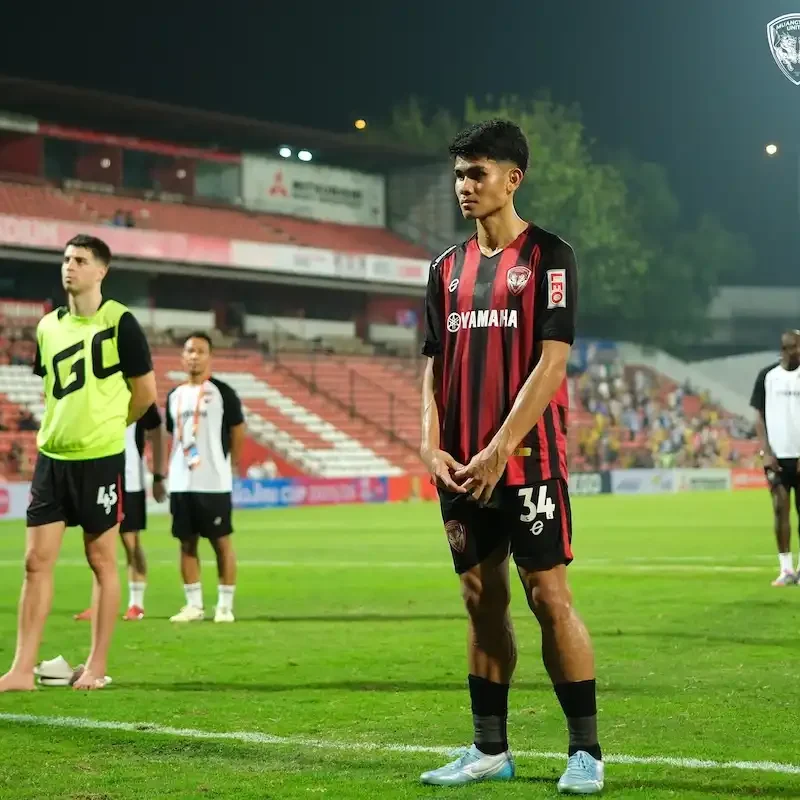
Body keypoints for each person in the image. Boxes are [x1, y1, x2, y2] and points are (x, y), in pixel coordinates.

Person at [418, 120, 603, 794]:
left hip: (528, 463)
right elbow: (433, 365)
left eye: (478, 173)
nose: (464, 186)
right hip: (463, 465)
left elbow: (553, 363)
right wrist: (429, 440)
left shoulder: (550, 256)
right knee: (479, 599)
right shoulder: (445, 268)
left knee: (548, 595)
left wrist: (502, 445)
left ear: (512, 178)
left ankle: (586, 752)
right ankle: (489, 748)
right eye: (459, 174)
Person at [0, 234, 156, 692]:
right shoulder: (48, 326)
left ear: (100, 271)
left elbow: (145, 396)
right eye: (66, 258)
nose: (70, 266)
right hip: (53, 459)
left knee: (101, 559)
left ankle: (96, 665)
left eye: (81, 260)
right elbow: (51, 389)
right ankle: (21, 670)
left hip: (100, 460)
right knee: (34, 562)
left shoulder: (121, 322)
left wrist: (109, 427)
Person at [165, 332, 245, 623]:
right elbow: (171, 436)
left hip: (214, 481)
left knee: (221, 543)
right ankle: (193, 605)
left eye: (200, 351)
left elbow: (238, 429)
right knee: (186, 543)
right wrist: (163, 475)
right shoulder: (173, 396)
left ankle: (224, 606)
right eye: (190, 351)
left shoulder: (223, 393)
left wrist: (232, 464)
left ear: (210, 356)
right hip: (181, 481)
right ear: (183, 356)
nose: (194, 356)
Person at [74, 404, 169, 621]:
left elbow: (156, 430)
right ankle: (98, 604)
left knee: (131, 542)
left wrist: (157, 475)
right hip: (98, 476)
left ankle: (136, 603)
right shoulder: (95, 392)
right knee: (97, 543)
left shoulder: (136, 391)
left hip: (130, 479)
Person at [750, 330, 800, 586]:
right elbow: (758, 415)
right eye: (797, 348)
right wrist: (766, 452)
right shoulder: (767, 376)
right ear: (786, 349)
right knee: (780, 509)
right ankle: (786, 569)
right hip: (777, 458)